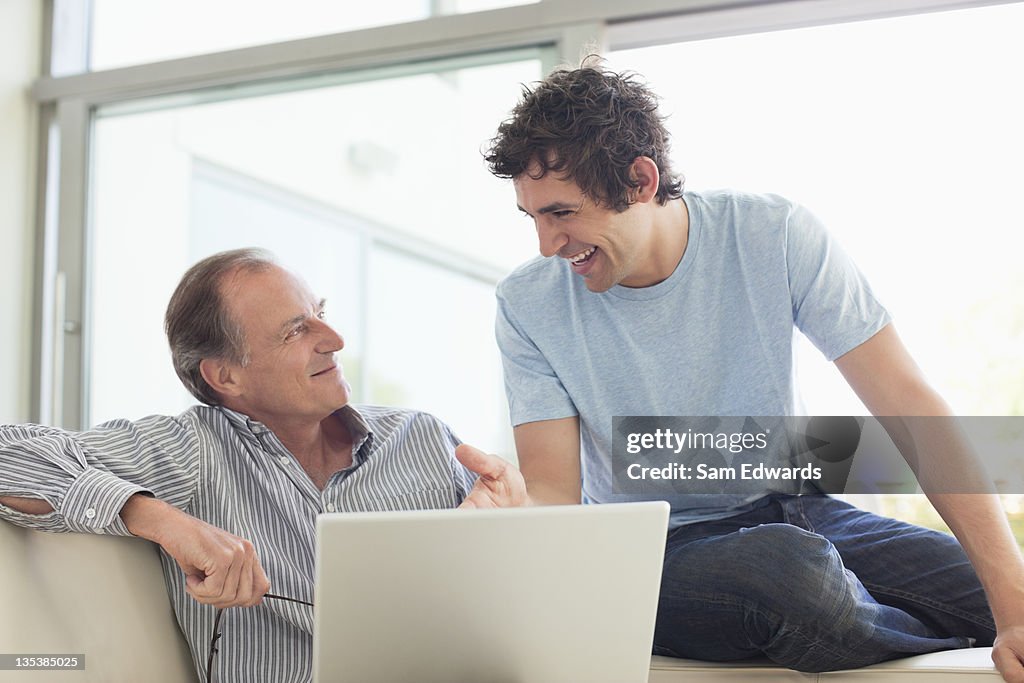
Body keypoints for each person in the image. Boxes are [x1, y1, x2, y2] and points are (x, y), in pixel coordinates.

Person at [484, 61, 1024, 680]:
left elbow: (911, 408)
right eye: (532, 218)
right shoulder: (526, 303)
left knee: (996, 586)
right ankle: (877, 619)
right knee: (789, 574)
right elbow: (555, 487)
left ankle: (867, 617)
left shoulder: (773, 234)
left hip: (801, 511)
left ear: (638, 180)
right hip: (656, 548)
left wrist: (1009, 606)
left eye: (562, 213)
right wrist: (517, 513)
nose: (548, 245)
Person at [0, 248, 527, 683]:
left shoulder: (424, 440)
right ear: (225, 376)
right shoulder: (192, 450)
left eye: (321, 311)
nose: (335, 340)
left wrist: (509, 535)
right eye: (296, 330)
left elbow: (510, 614)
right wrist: (158, 519)